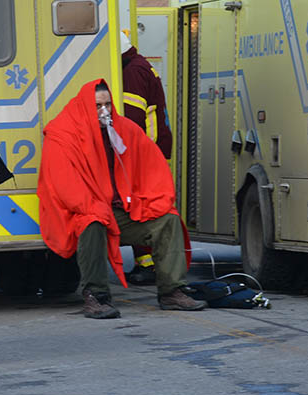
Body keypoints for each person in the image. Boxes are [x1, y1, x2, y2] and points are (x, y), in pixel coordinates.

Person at [38, 79, 207, 319]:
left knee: (167, 219)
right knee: (92, 222)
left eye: (108, 104)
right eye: (98, 106)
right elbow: (66, 187)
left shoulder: (124, 129)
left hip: (121, 211)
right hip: (80, 211)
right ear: (85, 106)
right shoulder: (62, 133)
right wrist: (97, 208)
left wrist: (151, 201)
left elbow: (152, 168)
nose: (104, 111)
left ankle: (172, 291)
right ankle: (96, 296)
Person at [120, 30, 174, 286]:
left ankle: (149, 265)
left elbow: (131, 119)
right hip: (152, 150)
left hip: (145, 153)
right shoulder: (140, 66)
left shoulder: (132, 72)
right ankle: (148, 263)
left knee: (142, 209)